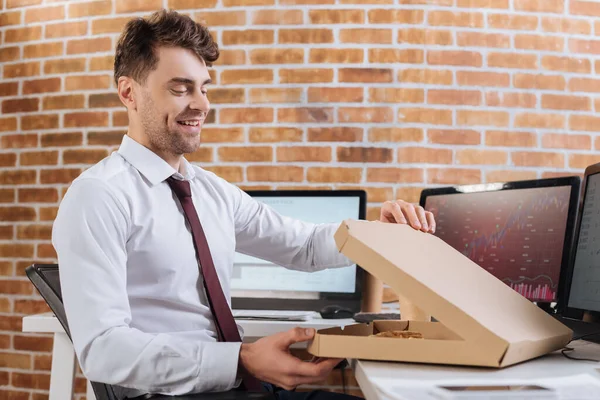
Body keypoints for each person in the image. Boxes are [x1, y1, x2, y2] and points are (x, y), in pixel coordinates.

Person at [52, 9, 436, 400]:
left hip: (236, 388)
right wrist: (242, 359)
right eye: (181, 88)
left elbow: (303, 246)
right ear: (128, 92)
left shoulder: (209, 191)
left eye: (205, 87)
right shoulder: (99, 196)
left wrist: (380, 233)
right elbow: (103, 349)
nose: (201, 104)